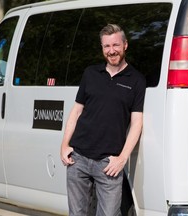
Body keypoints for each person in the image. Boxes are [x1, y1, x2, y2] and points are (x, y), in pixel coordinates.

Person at [60, 24, 146, 216]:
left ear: (125, 45)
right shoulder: (90, 73)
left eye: (115, 45)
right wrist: (64, 145)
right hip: (78, 159)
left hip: (109, 164)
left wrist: (122, 159)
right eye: (106, 46)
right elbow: (76, 112)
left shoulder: (137, 80)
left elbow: (137, 123)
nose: (111, 51)